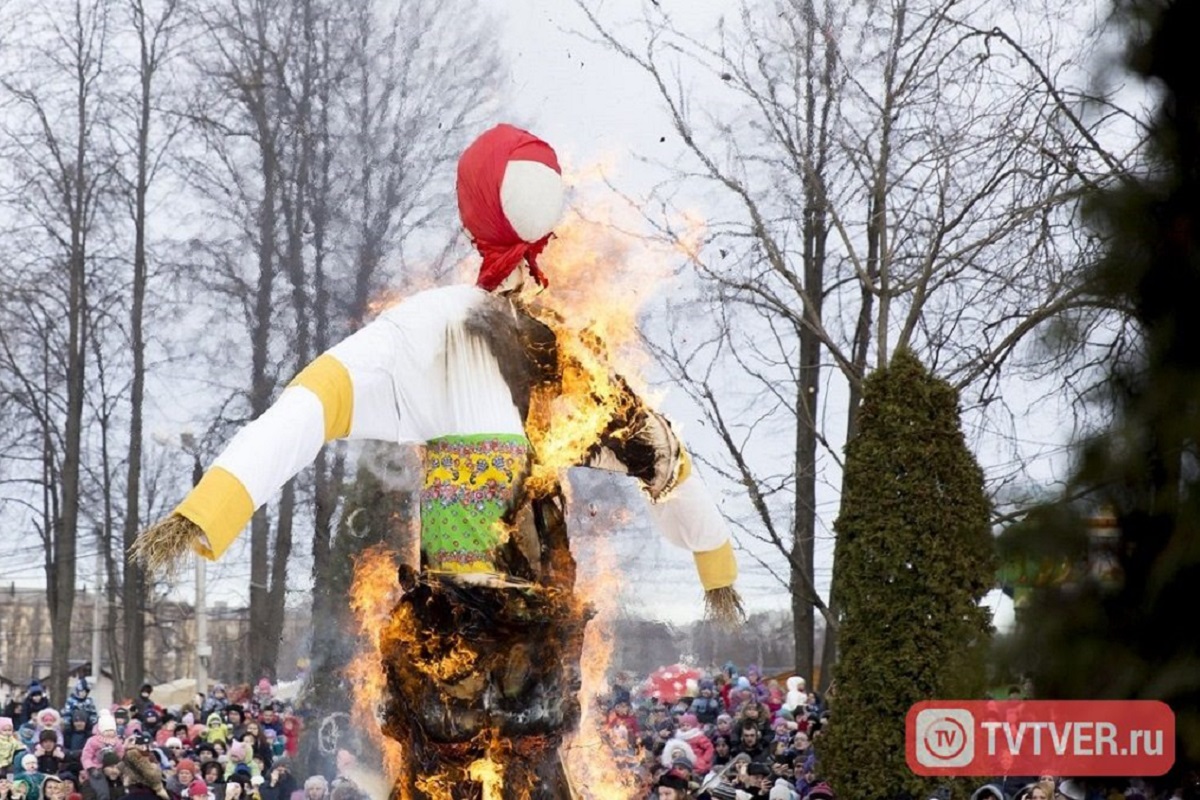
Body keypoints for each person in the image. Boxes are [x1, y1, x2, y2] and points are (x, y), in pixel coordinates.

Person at [133, 123, 743, 799]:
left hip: (531, 615)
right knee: (452, 763)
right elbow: (318, 398)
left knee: (524, 761)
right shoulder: (437, 325)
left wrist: (713, 558)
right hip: (453, 617)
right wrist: (215, 502)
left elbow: (653, 447)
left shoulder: (556, 345)